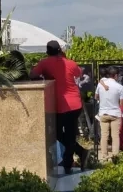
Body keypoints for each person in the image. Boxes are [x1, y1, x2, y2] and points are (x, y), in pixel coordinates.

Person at [30, 40, 85, 173]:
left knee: (57, 133)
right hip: (75, 104)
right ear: (60, 50)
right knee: (70, 135)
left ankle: (70, 161)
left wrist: (46, 77)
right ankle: (78, 154)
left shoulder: (44, 63)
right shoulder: (70, 63)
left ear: (48, 52)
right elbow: (79, 73)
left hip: (58, 105)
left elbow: (32, 75)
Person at [96, 67, 123, 161]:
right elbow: (122, 103)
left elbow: (96, 96)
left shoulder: (100, 85)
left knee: (104, 135)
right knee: (115, 135)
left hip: (103, 112)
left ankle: (104, 155)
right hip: (115, 113)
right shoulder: (120, 87)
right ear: (116, 75)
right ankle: (115, 155)